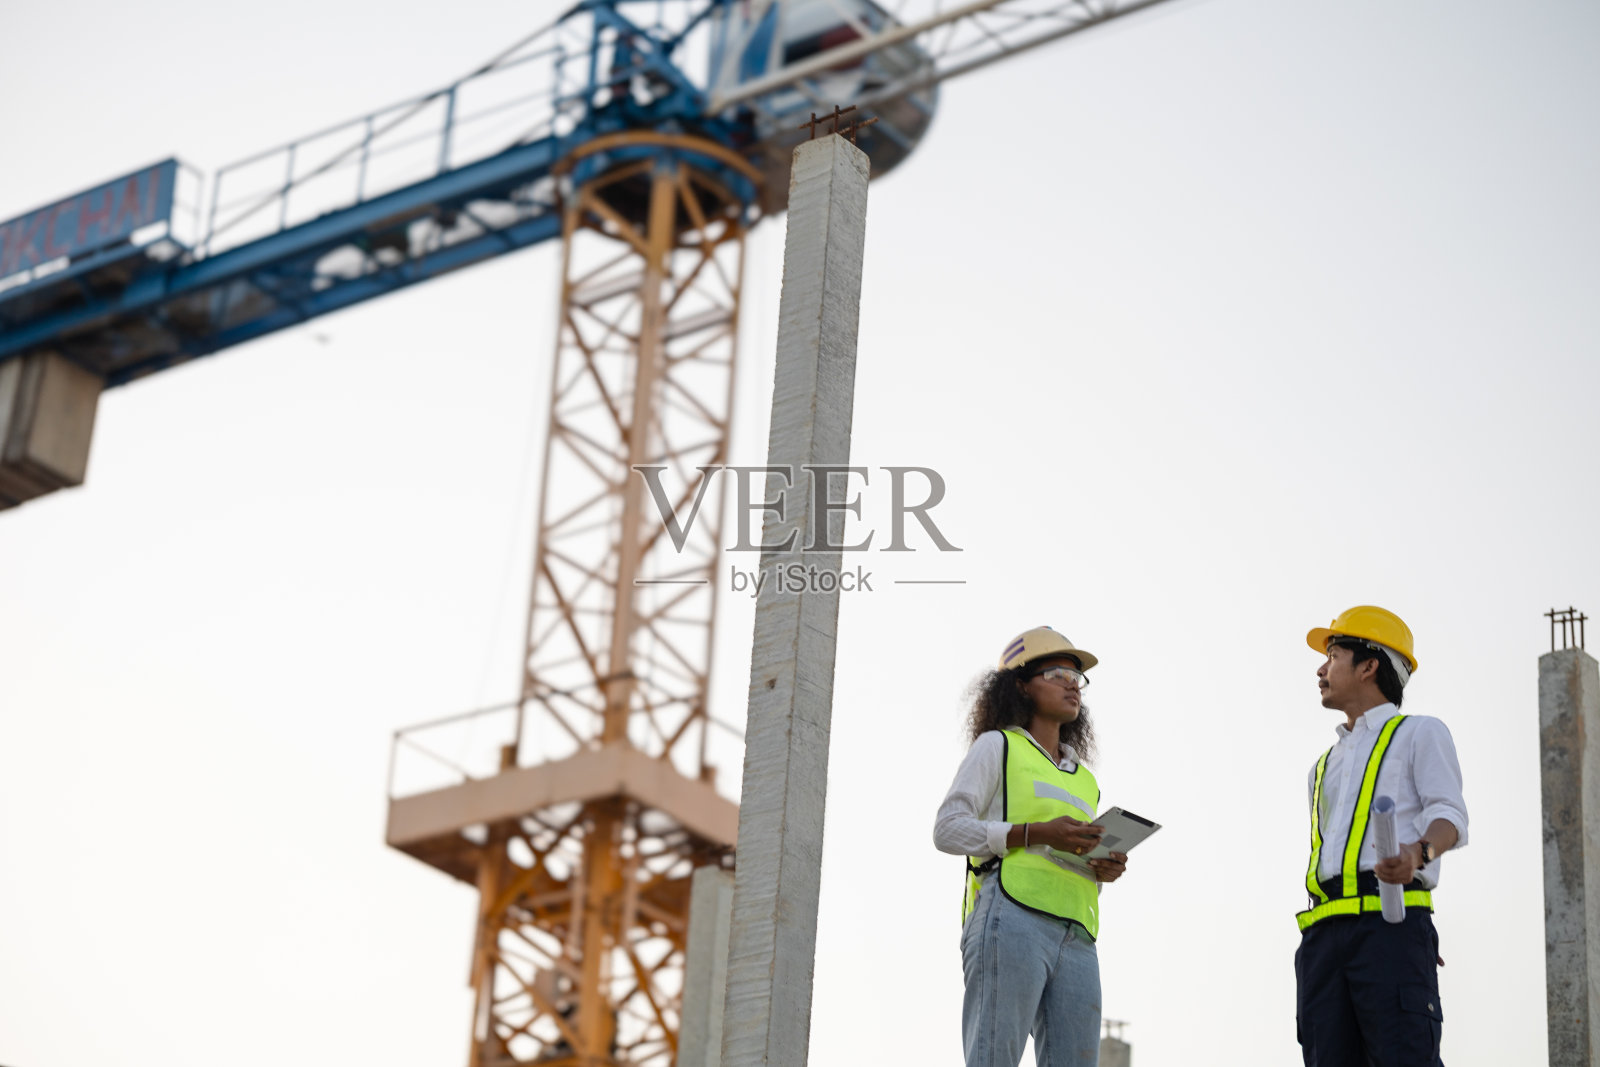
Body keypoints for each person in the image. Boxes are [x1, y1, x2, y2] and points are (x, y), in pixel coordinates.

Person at [933, 626, 1129, 1067]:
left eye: (1077, 676)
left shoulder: (1086, 779)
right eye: (1057, 672)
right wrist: (1034, 833)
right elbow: (947, 829)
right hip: (1010, 916)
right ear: (1020, 685)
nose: (1072, 682)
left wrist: (1102, 866)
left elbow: (1070, 850)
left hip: (1078, 934)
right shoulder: (996, 747)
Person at [1295, 605, 1469, 1067]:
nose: (1320, 668)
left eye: (1332, 654)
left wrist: (1419, 853)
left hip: (1391, 928)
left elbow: (1450, 815)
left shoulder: (1420, 734)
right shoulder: (1322, 767)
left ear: (1370, 665)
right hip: (1323, 939)